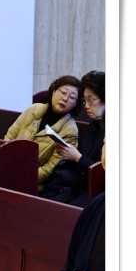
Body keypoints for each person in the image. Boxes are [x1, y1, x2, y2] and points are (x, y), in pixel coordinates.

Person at [4, 75, 81, 192]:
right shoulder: (33, 109)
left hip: (33, 184)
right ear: (54, 91)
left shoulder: (70, 131)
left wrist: (21, 176)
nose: (65, 99)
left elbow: (49, 170)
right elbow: (9, 137)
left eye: (72, 97)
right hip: (8, 171)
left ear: (76, 103)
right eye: (63, 93)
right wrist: (6, 168)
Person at [43, 71, 105, 206]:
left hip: (100, 191)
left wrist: (78, 158)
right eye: (85, 100)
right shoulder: (93, 125)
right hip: (81, 183)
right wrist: (68, 153)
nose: (86, 106)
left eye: (91, 100)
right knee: (46, 205)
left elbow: (104, 173)